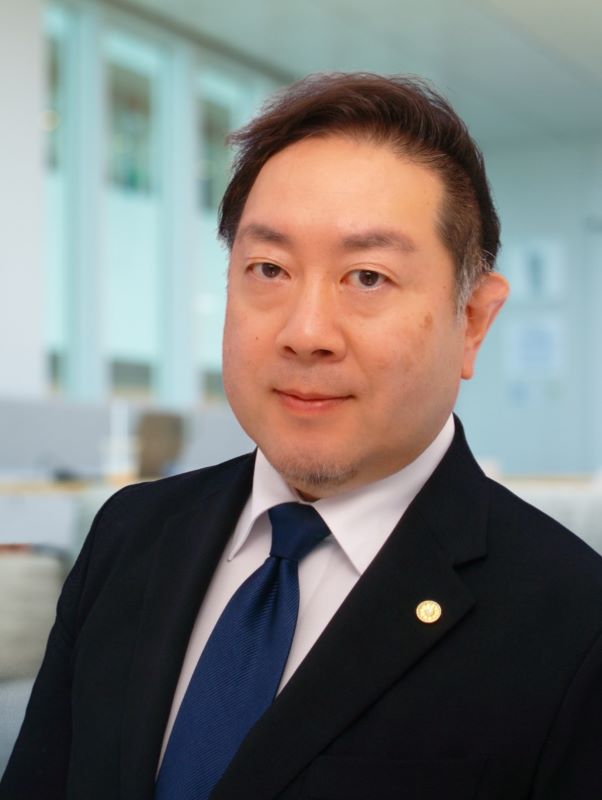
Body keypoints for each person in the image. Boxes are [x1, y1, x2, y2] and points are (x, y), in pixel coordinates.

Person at [2, 73, 602, 800]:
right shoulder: (130, 534)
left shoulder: (573, 625)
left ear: (472, 320)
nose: (306, 332)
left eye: (368, 277)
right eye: (269, 269)